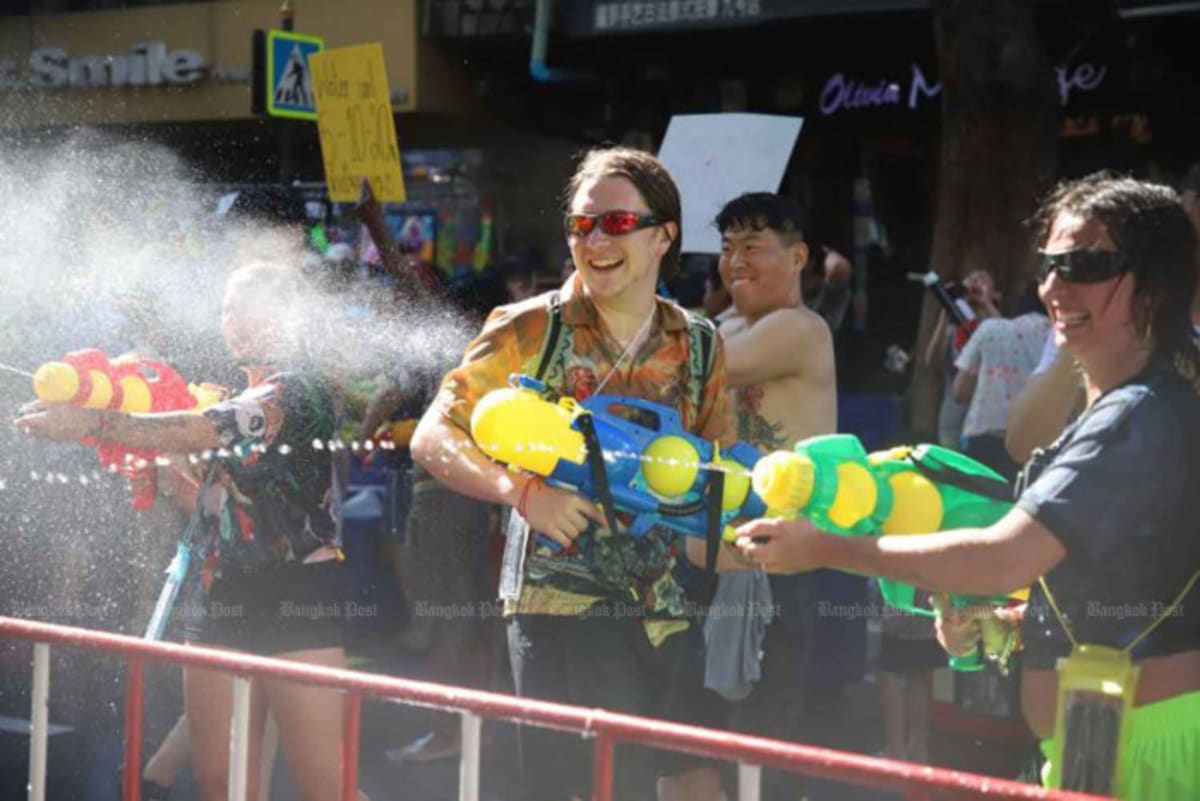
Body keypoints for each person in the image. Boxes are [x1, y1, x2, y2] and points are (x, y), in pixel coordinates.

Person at [732, 174, 1200, 799]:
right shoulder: (1145, 401)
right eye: (1050, 264)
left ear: (1156, 284)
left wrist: (828, 549)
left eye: (1086, 264)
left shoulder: (1140, 412)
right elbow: (1117, 575)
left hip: (1151, 750)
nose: (1056, 286)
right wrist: (1007, 619)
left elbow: (1004, 555)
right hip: (1112, 741)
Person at [410, 146, 736, 801]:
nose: (594, 239)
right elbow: (431, 437)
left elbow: (714, 476)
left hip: (666, 611)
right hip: (556, 610)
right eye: (582, 224)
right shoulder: (530, 327)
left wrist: (739, 547)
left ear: (662, 236)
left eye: (616, 223)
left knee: (671, 783)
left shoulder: (699, 341)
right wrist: (523, 493)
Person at [17, 262, 365, 801]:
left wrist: (93, 422)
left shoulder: (300, 391)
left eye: (255, 311)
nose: (238, 323)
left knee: (325, 788)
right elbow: (219, 504)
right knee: (221, 785)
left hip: (297, 599)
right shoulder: (231, 391)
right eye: (230, 310)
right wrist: (170, 474)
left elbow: (211, 428)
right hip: (218, 595)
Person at [702, 192, 835, 800]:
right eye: (727, 248)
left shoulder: (802, 330)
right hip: (712, 552)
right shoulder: (720, 325)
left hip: (783, 560)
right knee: (704, 736)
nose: (736, 261)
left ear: (798, 256)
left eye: (752, 246)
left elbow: (696, 363)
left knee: (767, 740)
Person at [951, 285, 1051, 480]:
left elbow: (960, 391)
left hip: (983, 439)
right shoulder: (1062, 338)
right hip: (1038, 442)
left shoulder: (990, 329)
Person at [922, 270, 1001, 449]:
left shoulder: (996, 326)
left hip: (986, 425)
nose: (975, 282)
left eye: (982, 280)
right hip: (953, 419)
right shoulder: (953, 327)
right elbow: (932, 361)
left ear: (995, 293)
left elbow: (1010, 345)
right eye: (971, 278)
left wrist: (986, 304)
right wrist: (946, 311)